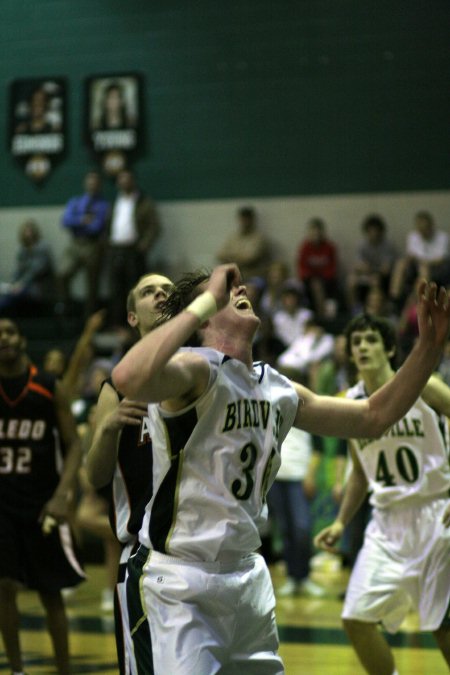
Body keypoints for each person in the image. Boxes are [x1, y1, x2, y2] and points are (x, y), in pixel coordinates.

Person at [111, 263, 450, 674]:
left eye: (236, 287)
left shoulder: (276, 388)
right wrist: (203, 302)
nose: (238, 289)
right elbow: (127, 377)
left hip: (248, 578)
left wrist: (427, 349)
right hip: (181, 583)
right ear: (203, 316)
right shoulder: (195, 370)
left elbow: (373, 416)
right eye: (224, 290)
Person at [314, 313, 450, 675]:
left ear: (389, 348)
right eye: (356, 341)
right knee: (355, 620)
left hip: (437, 514)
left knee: (444, 629)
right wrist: (342, 522)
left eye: (371, 339)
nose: (362, 347)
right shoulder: (349, 402)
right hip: (386, 524)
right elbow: (360, 471)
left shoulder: (424, 384)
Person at [85, 272, 174, 674]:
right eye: (148, 291)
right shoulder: (116, 389)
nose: (160, 294)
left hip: (204, 556)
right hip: (144, 558)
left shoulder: (205, 375)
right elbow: (96, 476)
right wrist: (107, 428)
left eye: (168, 291)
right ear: (132, 317)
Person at [0, 318, 85, 675]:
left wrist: (62, 494)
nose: (4, 338)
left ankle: (63, 669)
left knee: (51, 592)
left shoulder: (48, 386)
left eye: (10, 331)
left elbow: (74, 444)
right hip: (1, 505)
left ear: (21, 339)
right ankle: (17, 669)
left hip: (41, 504)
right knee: (3, 587)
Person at [268, 426, 326, 598]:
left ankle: (305, 576)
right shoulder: (275, 409)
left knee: (302, 528)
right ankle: (292, 577)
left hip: (299, 478)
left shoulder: (307, 410)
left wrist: (310, 475)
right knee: (286, 529)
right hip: (276, 478)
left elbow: (318, 448)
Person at [107, 170, 161, 327]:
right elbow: (109, 224)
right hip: (116, 249)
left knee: (135, 289)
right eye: (121, 180)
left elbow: (154, 226)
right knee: (117, 289)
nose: (124, 182)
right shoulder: (116, 202)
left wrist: (145, 244)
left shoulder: (143, 201)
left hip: (134, 250)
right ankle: (118, 324)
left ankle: (138, 323)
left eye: (127, 179)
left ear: (133, 181)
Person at [58, 171, 110, 316]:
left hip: (93, 245)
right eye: (90, 182)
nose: (92, 185)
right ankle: (67, 307)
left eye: (95, 183)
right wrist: (82, 220)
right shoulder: (75, 201)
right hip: (75, 244)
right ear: (85, 184)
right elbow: (65, 221)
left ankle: (89, 317)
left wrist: (77, 221)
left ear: (99, 185)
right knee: (62, 274)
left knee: (92, 285)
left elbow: (96, 226)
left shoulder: (103, 205)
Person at [390, 211, 450, 307]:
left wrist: (423, 262)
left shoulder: (443, 237)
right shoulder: (413, 236)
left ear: (431, 225)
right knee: (400, 263)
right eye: (420, 228)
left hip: (438, 269)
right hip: (417, 266)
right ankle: (394, 297)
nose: (422, 231)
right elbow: (411, 256)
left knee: (424, 268)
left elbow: (441, 259)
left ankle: (418, 299)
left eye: (425, 227)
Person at [0, 219, 54, 315]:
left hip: (39, 287)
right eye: (26, 231)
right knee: (7, 292)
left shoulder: (43, 248)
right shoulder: (22, 250)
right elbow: (18, 270)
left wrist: (21, 284)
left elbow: (35, 272)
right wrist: (13, 283)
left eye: (30, 231)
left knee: (11, 297)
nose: (28, 234)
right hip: (22, 285)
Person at [346, 214, 397, 313]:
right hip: (367, 275)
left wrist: (372, 270)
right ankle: (355, 309)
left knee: (375, 280)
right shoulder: (362, 245)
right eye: (371, 231)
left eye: (376, 231)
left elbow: (386, 269)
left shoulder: (387, 245)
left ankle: (377, 309)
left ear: (381, 231)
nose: (374, 234)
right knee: (351, 280)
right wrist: (366, 270)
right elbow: (359, 265)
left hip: (383, 277)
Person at [296, 217, 339, 319]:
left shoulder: (329, 247)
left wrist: (322, 277)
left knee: (318, 286)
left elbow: (332, 267)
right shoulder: (305, 247)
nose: (316, 235)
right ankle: (319, 314)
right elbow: (301, 267)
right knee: (315, 285)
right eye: (313, 232)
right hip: (308, 280)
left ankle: (322, 315)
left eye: (318, 232)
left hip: (327, 280)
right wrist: (311, 277)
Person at [216, 206, 272, 280]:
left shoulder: (259, 238)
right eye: (242, 219)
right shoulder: (234, 237)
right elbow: (220, 255)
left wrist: (231, 257)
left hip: (253, 278)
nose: (244, 222)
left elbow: (250, 259)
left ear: (252, 220)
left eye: (247, 219)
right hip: (234, 277)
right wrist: (239, 257)